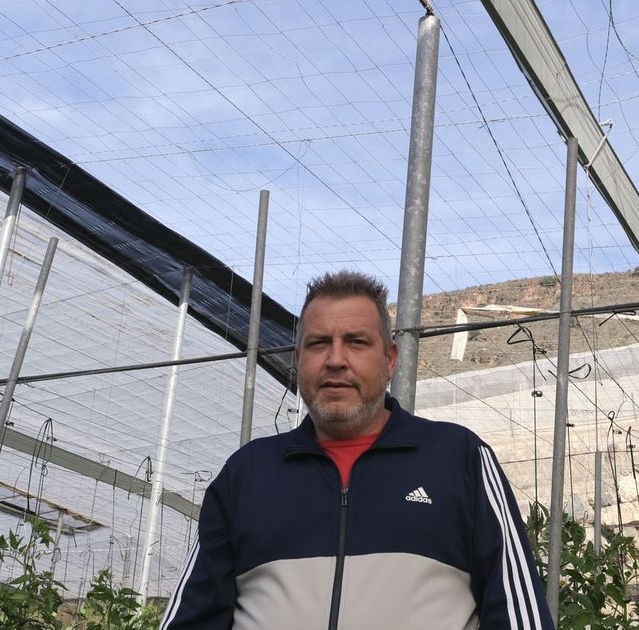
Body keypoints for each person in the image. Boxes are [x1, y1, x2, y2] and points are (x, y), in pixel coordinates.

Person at [161, 270, 553, 630]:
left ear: (390, 359)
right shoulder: (247, 474)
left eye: (356, 342)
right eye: (318, 344)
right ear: (298, 361)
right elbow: (193, 616)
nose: (335, 360)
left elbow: (520, 616)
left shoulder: (459, 459)